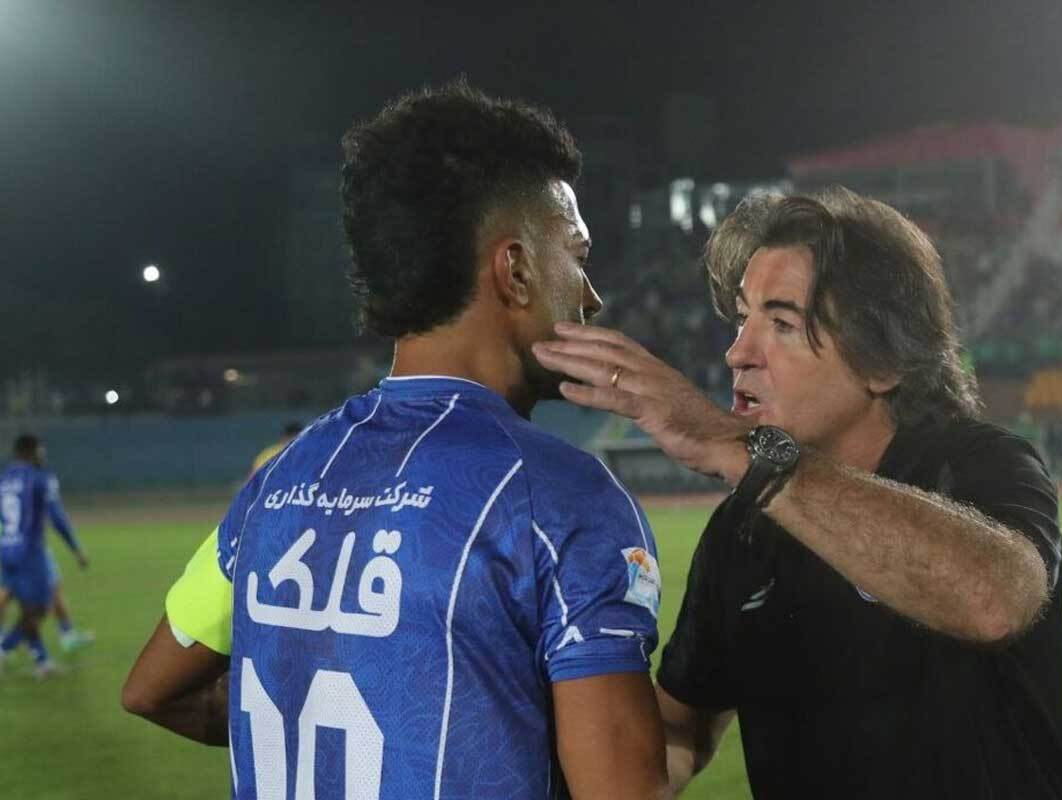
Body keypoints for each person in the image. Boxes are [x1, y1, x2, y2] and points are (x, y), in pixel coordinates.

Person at [122, 81, 667, 800]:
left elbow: (152, 690)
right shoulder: (561, 497)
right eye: (578, 254)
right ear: (516, 270)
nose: (591, 295)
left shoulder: (280, 480)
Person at [533, 188, 1062, 798]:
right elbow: (682, 729)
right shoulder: (742, 531)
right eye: (741, 319)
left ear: (882, 360)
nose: (738, 352)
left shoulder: (978, 464)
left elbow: (993, 600)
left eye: (782, 323)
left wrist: (743, 452)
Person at [0, 434, 91, 678]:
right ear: (31, 452)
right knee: (40, 608)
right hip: (30, 552)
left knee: (26, 607)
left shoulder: (4, 479)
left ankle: (42, 662)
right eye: (41, 451)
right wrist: (76, 548)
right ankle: (5, 647)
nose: (43, 455)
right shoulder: (40, 477)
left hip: (6, 549)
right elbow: (57, 518)